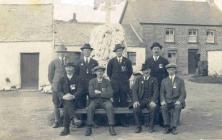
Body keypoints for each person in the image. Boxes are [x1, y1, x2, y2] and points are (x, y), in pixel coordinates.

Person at [85, 66, 116, 136]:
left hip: (105, 101)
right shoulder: (92, 81)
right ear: (95, 72)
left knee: (110, 106)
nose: (100, 73)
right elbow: (91, 94)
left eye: (101, 71)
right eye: (98, 71)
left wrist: (99, 93)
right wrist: (104, 93)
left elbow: (110, 93)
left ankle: (111, 127)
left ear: (103, 72)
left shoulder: (107, 81)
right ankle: (89, 127)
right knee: (90, 107)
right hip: (94, 101)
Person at [107, 44, 133, 126]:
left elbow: (130, 72)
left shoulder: (127, 61)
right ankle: (115, 120)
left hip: (124, 86)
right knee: (115, 103)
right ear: (115, 52)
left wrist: (123, 80)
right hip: (114, 86)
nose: (119, 52)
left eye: (120, 51)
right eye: (117, 51)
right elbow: (109, 73)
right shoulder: (111, 61)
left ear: (122, 51)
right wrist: (115, 81)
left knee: (123, 102)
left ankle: (123, 121)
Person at [145, 42, 169, 126]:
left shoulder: (164, 61)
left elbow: (167, 74)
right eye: (154, 49)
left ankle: (162, 121)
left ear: (160, 50)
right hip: (151, 86)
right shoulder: (148, 61)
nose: (156, 50)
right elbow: (146, 72)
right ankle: (153, 120)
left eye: (158, 49)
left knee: (161, 102)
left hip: (161, 85)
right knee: (152, 102)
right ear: (151, 50)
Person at [131, 64, 159, 133]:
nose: (146, 72)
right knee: (136, 108)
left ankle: (151, 126)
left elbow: (156, 91)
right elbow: (134, 90)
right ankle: (138, 127)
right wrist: (135, 101)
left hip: (150, 100)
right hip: (141, 100)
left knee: (153, 108)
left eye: (147, 70)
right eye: (144, 70)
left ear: (150, 70)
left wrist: (153, 101)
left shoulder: (154, 79)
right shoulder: (138, 79)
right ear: (142, 72)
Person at [58, 63, 84, 136]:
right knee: (67, 103)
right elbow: (58, 91)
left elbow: (81, 90)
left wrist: (73, 96)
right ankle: (74, 118)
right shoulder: (62, 79)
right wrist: (63, 96)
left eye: (70, 68)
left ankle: (66, 129)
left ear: (74, 69)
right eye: (67, 68)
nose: (68, 69)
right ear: (65, 69)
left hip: (76, 101)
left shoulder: (78, 78)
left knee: (67, 106)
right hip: (65, 100)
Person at [160, 63, 186, 135]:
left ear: (175, 70)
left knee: (177, 107)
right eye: (169, 70)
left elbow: (183, 93)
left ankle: (174, 127)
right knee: (163, 107)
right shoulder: (164, 81)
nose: (171, 71)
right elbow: (162, 93)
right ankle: (167, 126)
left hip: (176, 101)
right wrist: (163, 101)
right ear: (167, 71)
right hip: (167, 100)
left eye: (172, 70)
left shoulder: (180, 80)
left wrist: (179, 101)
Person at [48, 44, 67, 128]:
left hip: (66, 86)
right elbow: (50, 75)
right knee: (56, 104)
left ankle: (67, 121)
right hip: (56, 86)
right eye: (60, 52)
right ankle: (57, 121)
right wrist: (53, 84)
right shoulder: (53, 62)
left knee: (66, 103)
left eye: (63, 52)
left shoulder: (68, 61)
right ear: (57, 53)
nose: (61, 53)